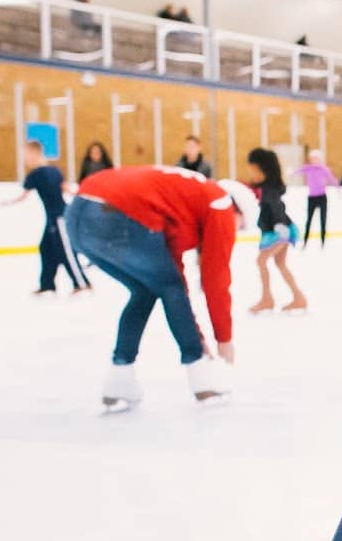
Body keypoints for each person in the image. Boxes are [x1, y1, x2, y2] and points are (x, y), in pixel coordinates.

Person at [65, 165, 253, 409]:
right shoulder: (221, 203)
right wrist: (224, 340)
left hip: (79, 216)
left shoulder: (186, 199)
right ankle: (202, 377)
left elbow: (173, 276)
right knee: (169, 288)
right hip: (116, 214)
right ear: (238, 211)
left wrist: (199, 336)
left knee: (146, 290)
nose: (234, 233)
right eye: (240, 227)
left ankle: (119, 377)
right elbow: (215, 278)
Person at [2, 139, 90, 295]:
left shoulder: (38, 174)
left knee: (66, 250)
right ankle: (47, 284)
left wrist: (8, 202)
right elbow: (67, 189)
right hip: (54, 218)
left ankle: (82, 283)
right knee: (46, 248)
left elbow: (24, 196)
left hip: (60, 217)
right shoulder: (53, 171)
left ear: (34, 153)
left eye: (26, 156)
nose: (25, 160)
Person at [246, 148, 307, 314]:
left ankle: (267, 298)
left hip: (279, 231)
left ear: (262, 169)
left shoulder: (270, 190)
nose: (250, 173)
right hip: (277, 230)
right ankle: (299, 297)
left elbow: (277, 208)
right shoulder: (266, 187)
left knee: (261, 261)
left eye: (253, 169)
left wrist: (280, 228)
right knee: (280, 264)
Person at [299, 147, 339, 248]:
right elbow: (296, 171)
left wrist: (338, 188)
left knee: (323, 220)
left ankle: (322, 242)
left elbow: (332, 179)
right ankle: (305, 242)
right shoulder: (307, 168)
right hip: (312, 198)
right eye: (312, 158)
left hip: (322, 197)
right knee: (308, 221)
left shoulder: (324, 169)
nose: (314, 160)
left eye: (316, 158)